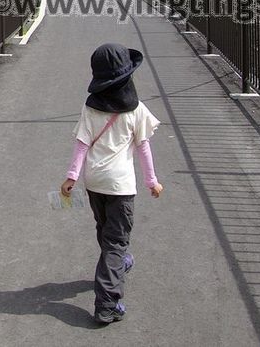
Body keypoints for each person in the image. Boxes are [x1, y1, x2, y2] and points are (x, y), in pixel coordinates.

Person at [60, 43, 163, 325]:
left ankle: (120, 262)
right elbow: (143, 148)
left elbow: (81, 145)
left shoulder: (90, 108)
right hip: (121, 186)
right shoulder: (137, 110)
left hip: (94, 182)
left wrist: (71, 177)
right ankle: (107, 303)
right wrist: (152, 181)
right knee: (116, 241)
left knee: (106, 230)